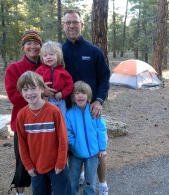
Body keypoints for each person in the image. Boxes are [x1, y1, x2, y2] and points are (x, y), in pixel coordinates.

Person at [62, 9, 110, 195]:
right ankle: (79, 175)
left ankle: (103, 184)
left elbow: (105, 78)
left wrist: (98, 100)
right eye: (68, 22)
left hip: (92, 109)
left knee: (97, 147)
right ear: (64, 25)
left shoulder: (93, 51)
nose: (72, 25)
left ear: (82, 24)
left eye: (75, 22)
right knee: (72, 144)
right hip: (68, 110)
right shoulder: (60, 52)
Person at [16, 71, 70, 195]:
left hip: (57, 165)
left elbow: (63, 139)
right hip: (36, 167)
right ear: (21, 92)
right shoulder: (22, 115)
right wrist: (28, 166)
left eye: (33, 88)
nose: (29, 93)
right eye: (25, 90)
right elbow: (22, 144)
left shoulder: (54, 111)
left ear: (41, 88)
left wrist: (61, 162)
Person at [5, 30, 43, 195]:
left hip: (45, 122)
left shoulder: (47, 66)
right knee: (22, 161)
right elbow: (14, 97)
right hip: (23, 124)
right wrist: (39, 95)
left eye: (36, 43)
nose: (33, 46)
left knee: (44, 159)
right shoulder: (14, 68)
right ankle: (19, 192)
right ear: (23, 47)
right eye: (29, 43)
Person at [65, 81, 107, 195]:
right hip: (75, 154)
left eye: (83, 93)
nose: (80, 95)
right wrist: (74, 145)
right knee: (73, 180)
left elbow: (101, 131)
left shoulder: (94, 112)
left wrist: (102, 148)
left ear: (88, 96)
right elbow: (68, 133)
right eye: (77, 93)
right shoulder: (69, 114)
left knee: (90, 181)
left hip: (93, 154)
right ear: (73, 97)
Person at [36, 40, 74, 115]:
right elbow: (34, 83)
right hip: (45, 99)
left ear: (58, 56)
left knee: (62, 118)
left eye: (51, 54)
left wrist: (62, 94)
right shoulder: (40, 70)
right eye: (45, 55)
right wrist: (42, 91)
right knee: (47, 118)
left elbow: (70, 85)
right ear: (42, 58)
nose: (48, 57)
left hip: (60, 100)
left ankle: (62, 127)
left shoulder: (63, 72)